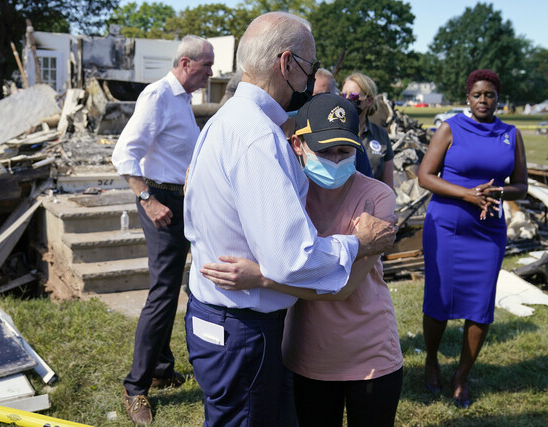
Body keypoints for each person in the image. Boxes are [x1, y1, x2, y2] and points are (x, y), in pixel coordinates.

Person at [183, 12, 397, 426]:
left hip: (223, 317)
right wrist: (357, 244)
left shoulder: (225, 121)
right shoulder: (260, 138)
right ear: (287, 64)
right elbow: (292, 260)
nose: (309, 80)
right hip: (242, 327)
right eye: (310, 67)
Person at [111, 35, 214, 426]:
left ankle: (161, 368)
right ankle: (136, 388)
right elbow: (125, 153)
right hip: (163, 203)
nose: (210, 72)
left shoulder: (181, 99)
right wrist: (147, 200)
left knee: (174, 289)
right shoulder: (158, 95)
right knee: (163, 293)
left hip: (181, 201)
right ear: (186, 63)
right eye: (206, 65)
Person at [417, 69, 527, 409]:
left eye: (490, 95)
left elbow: (521, 186)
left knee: (480, 308)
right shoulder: (451, 127)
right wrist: (466, 194)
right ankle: (432, 360)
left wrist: (499, 189)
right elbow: (425, 176)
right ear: (468, 97)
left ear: (498, 98)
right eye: (478, 94)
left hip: (487, 231)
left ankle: (462, 376)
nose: (484, 100)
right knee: (438, 302)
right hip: (447, 227)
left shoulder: (511, 133)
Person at [341, 72, 394, 188]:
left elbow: (388, 185)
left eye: (353, 96)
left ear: (369, 101)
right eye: (343, 95)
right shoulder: (333, 131)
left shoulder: (381, 135)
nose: (347, 99)